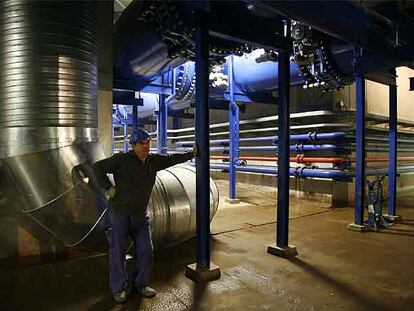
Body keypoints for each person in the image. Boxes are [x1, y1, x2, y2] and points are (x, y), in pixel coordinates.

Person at [93, 128, 196, 303]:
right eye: (141, 143)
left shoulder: (153, 161)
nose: (145, 147)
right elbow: (98, 167)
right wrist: (108, 187)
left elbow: (172, 159)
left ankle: (141, 284)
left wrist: (191, 154)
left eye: (148, 143)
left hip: (140, 215)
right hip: (120, 214)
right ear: (133, 145)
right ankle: (118, 288)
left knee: (146, 250)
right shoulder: (122, 160)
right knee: (118, 252)